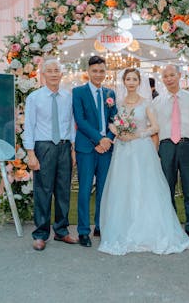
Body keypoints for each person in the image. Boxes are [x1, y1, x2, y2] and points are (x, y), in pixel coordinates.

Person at [98, 68, 189, 255]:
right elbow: (113, 123)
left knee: (145, 187)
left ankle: (148, 229)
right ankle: (124, 229)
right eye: (128, 79)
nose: (131, 82)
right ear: (124, 82)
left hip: (141, 149)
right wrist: (118, 131)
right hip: (123, 151)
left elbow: (155, 127)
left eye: (134, 79)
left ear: (139, 82)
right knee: (124, 188)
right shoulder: (118, 103)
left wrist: (137, 134)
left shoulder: (146, 103)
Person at [23, 58, 77, 251]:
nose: (54, 73)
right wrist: (30, 153)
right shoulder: (34, 98)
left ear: (61, 74)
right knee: (43, 191)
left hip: (64, 147)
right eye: (50, 70)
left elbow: (71, 124)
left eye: (57, 70)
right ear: (43, 74)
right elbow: (28, 126)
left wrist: (72, 148)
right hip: (43, 147)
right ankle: (40, 234)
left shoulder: (68, 97)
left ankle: (61, 231)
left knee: (63, 190)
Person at [153, 64, 189, 243]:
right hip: (166, 146)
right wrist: (156, 152)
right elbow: (154, 130)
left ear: (179, 76)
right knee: (166, 188)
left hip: (188, 146)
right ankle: (171, 226)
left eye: (172, 75)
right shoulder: (157, 101)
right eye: (165, 76)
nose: (168, 78)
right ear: (162, 79)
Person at [72, 56, 117, 248]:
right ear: (88, 72)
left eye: (101, 71)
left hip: (106, 148)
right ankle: (83, 230)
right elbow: (80, 121)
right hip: (86, 148)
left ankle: (100, 225)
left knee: (104, 189)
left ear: (105, 72)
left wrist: (108, 139)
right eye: (95, 71)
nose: (98, 74)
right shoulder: (78, 92)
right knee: (84, 190)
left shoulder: (110, 94)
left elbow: (115, 120)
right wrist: (99, 139)